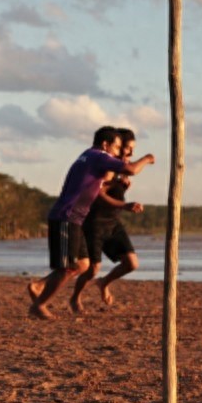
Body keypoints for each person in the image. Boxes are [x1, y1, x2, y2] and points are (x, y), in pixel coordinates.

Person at [27, 127, 154, 320]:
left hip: (75, 218)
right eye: (117, 147)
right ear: (106, 144)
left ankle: (39, 288)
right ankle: (39, 305)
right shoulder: (99, 156)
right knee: (68, 268)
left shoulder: (89, 156)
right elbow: (131, 169)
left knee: (83, 265)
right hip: (66, 216)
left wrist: (117, 185)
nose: (118, 152)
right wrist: (147, 158)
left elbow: (95, 186)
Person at [69, 128, 144, 313]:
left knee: (131, 263)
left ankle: (104, 282)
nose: (131, 153)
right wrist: (148, 158)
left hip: (113, 222)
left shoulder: (118, 167)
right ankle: (75, 297)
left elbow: (112, 191)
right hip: (95, 222)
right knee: (92, 269)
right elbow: (98, 192)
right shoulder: (109, 165)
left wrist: (121, 187)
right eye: (127, 148)